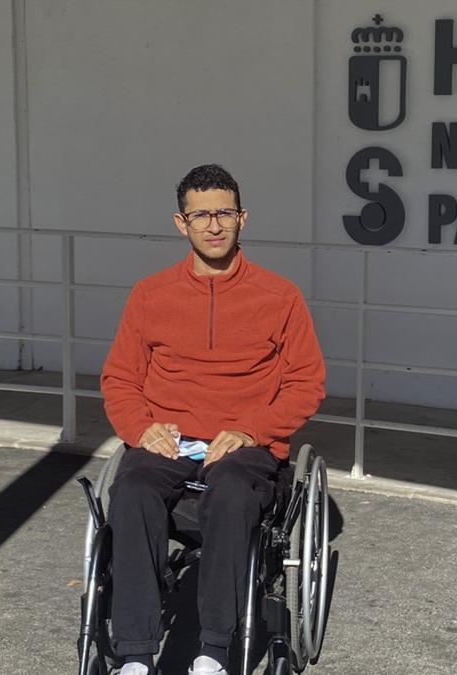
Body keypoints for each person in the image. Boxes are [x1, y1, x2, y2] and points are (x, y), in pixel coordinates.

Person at [100, 164, 325, 675]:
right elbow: (119, 379)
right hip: (168, 441)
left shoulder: (280, 296)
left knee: (230, 493)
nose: (214, 225)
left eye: (224, 212)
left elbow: (306, 383)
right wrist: (140, 428)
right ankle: (135, 655)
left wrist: (252, 430)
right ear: (182, 223)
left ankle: (214, 650)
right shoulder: (150, 294)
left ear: (242, 217)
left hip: (243, 444)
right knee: (131, 491)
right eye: (201, 215)